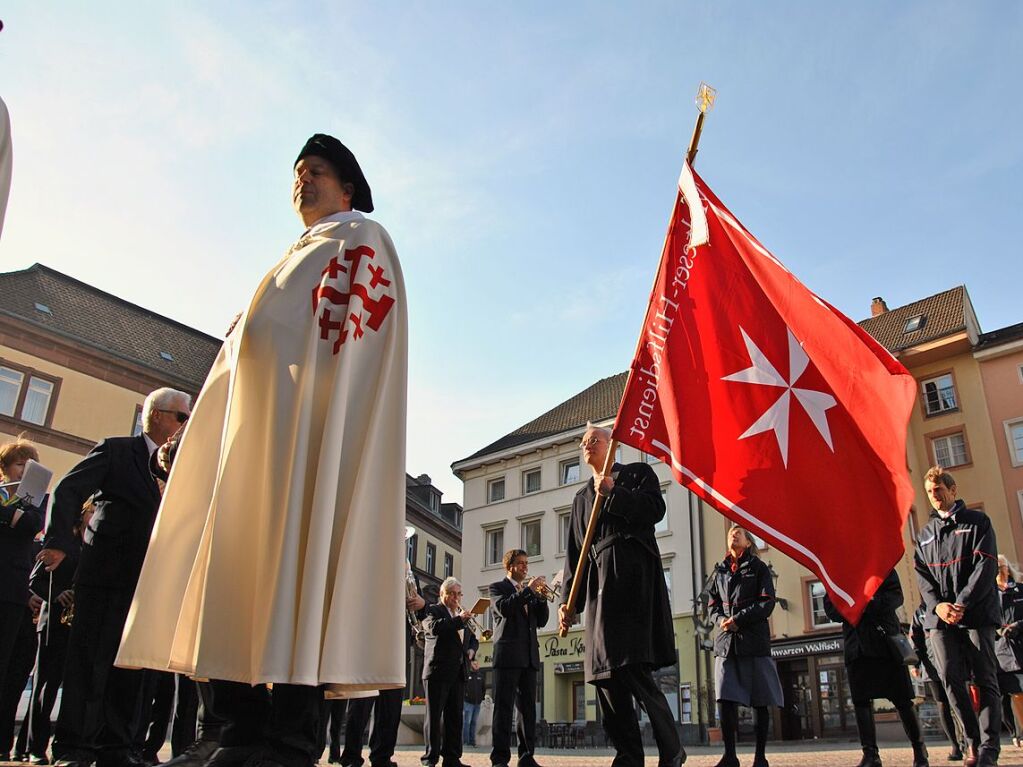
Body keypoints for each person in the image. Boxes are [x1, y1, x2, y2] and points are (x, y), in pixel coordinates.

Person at [115, 134, 408, 767]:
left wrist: (320, 420)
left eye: (318, 171)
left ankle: (287, 738)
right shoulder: (287, 259)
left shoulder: (360, 240)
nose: (302, 180)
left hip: (308, 438)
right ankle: (229, 726)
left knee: (299, 573)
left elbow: (354, 336)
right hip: (256, 440)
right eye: (298, 172)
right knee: (235, 571)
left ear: (347, 187)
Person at [40, 388, 191, 767]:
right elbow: (69, 489)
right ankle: (73, 747)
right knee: (89, 662)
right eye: (181, 417)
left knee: (132, 668)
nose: (185, 425)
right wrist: (60, 544)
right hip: (106, 571)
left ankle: (116, 747)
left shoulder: (184, 467)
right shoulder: (117, 449)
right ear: (157, 415)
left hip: (148, 581)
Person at [558, 425, 684, 767]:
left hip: (632, 578)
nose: (587, 445)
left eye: (593, 440)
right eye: (583, 443)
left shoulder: (636, 474)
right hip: (599, 587)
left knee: (630, 666)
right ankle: (628, 754)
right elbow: (575, 555)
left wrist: (614, 491)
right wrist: (569, 602)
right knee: (604, 674)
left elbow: (654, 510)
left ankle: (671, 748)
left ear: (611, 444)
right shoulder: (581, 499)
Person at [914, 466, 1001, 767]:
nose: (935, 496)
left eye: (939, 490)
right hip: (940, 620)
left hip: (976, 614)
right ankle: (972, 744)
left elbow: (985, 566)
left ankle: (989, 748)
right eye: (929, 492)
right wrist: (937, 605)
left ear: (952, 490)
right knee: (950, 678)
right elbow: (922, 576)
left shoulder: (978, 522)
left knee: (986, 678)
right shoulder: (924, 535)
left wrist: (962, 603)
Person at [824, 570, 928, 767]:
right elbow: (830, 607)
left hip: (884, 642)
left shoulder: (881, 561)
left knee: (903, 700)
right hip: (856, 644)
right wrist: (850, 607)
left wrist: (868, 603)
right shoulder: (837, 569)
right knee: (861, 702)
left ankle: (919, 751)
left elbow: (896, 596)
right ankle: (870, 754)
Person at [707, 524, 782, 767]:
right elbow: (711, 606)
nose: (733, 533)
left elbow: (767, 602)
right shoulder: (719, 571)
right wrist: (722, 621)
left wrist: (738, 620)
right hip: (726, 644)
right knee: (725, 699)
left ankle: (760, 757)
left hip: (755, 643)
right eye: (730, 532)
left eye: (739, 532)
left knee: (760, 700)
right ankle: (730, 756)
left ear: (749, 543)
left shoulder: (759, 568)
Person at [489, 548, 549, 767]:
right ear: (510, 566)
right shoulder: (497, 588)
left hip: (530, 656)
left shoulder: (529, 592)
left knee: (528, 711)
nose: (525, 567)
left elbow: (541, 621)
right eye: (521, 563)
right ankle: (500, 759)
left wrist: (541, 599)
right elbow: (504, 608)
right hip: (507, 656)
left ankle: (526, 757)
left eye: (527, 563)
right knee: (503, 709)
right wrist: (528, 592)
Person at [421, 577, 478, 767]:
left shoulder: (461, 614)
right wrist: (459, 620)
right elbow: (435, 628)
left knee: (455, 717)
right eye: (451, 593)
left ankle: (452, 758)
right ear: (442, 594)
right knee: (435, 716)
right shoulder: (433, 610)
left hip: (458, 671)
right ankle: (430, 758)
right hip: (438, 671)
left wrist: (472, 648)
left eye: (458, 594)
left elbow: (471, 639)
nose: (455, 597)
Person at [911, 602, 964, 761]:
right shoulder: (920, 612)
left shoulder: (951, 604)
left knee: (959, 700)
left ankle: (969, 741)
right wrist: (915, 663)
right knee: (943, 704)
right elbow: (916, 638)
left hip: (953, 662)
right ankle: (955, 745)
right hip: (931, 666)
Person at [994, 556, 1023, 749]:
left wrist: (1018, 625)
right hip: (1001, 650)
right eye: (996, 567)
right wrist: (996, 628)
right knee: (1013, 693)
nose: (999, 570)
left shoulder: (1020, 589)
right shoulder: (987, 594)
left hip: (1021, 643)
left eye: (1002, 566)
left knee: (1020, 691)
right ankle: (1018, 732)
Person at [463, 661, 485, 749]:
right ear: (470, 664)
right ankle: (466, 742)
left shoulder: (480, 676)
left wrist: (481, 698)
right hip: (468, 703)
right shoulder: (467, 675)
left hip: (477, 703)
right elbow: (463, 688)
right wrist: (465, 696)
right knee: (466, 723)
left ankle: (472, 742)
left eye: (477, 663)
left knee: (474, 723)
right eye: (474, 663)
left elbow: (483, 688)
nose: (476, 665)